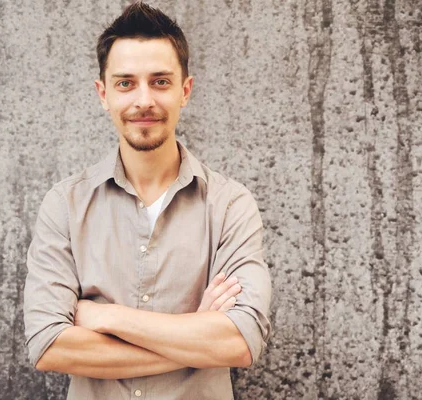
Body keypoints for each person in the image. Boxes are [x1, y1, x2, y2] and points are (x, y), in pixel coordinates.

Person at [23, 2, 272, 399]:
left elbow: (240, 343)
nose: (144, 100)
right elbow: (49, 345)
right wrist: (196, 334)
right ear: (103, 94)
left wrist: (105, 317)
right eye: (125, 83)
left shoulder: (230, 205)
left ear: (185, 90)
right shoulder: (65, 204)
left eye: (160, 81)